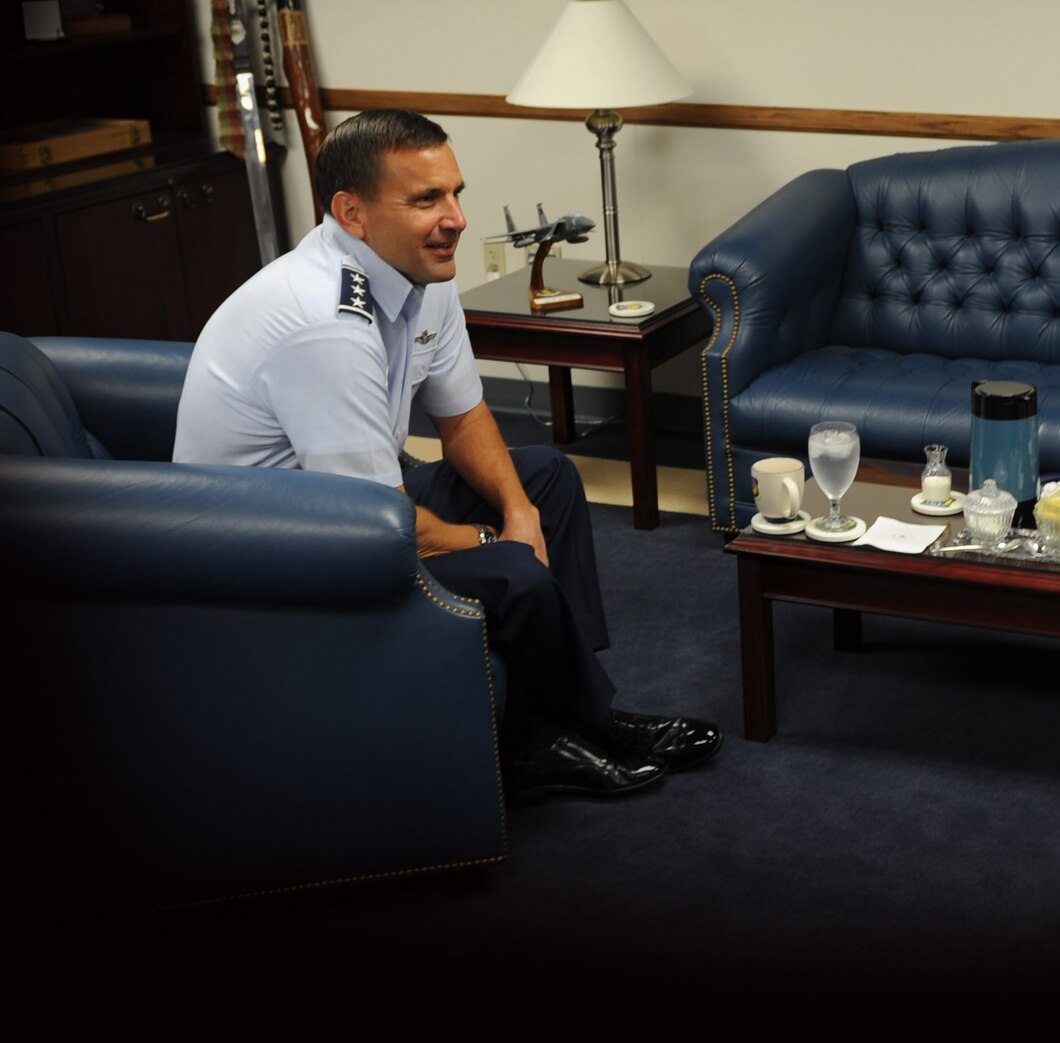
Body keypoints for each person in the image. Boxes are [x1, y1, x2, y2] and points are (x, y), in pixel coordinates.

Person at [175, 108, 719, 802]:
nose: (457, 217)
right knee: (512, 572)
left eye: (456, 192)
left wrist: (518, 512)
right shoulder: (323, 324)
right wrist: (497, 540)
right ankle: (538, 743)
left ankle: (580, 711)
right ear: (352, 213)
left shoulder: (418, 274)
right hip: (276, 553)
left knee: (547, 478)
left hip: (350, 499)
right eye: (427, 199)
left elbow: (462, 417)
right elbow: (373, 524)